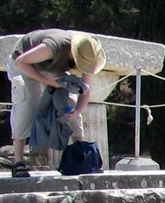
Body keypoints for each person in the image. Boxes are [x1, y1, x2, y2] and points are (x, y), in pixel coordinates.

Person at [8, 30, 104, 176]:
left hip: (52, 68)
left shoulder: (90, 54)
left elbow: (85, 89)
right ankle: (18, 162)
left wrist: (76, 111)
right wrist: (47, 81)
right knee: (27, 104)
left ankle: (80, 153)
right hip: (24, 65)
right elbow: (20, 62)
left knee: (69, 101)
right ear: (74, 53)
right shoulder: (54, 46)